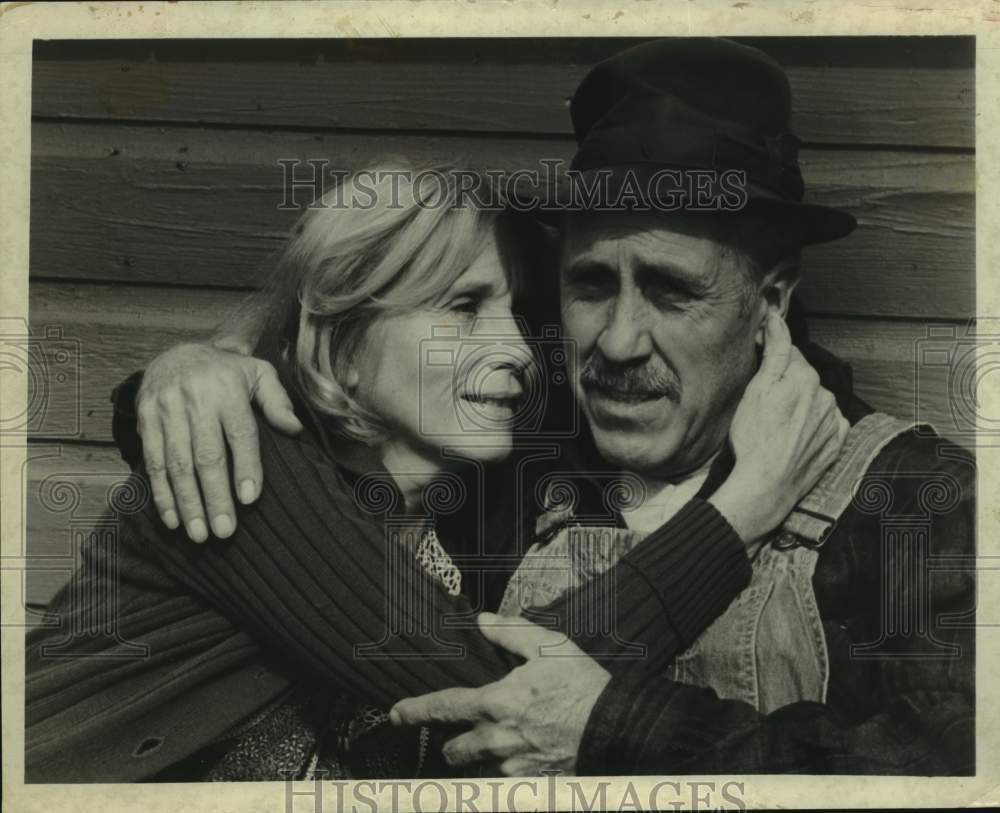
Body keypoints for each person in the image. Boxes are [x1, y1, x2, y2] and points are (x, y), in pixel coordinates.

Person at [125, 38, 976, 776]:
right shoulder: (511, 446)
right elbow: (345, 364)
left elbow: (949, 761)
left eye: (672, 292)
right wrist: (191, 370)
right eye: (591, 285)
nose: (618, 342)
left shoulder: (906, 494)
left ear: (772, 302)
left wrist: (614, 727)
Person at [25, 160, 845, 781]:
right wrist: (740, 512)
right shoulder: (251, 462)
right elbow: (500, 696)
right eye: (462, 309)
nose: (517, 351)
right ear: (343, 346)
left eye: (515, 313)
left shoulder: (438, 513)